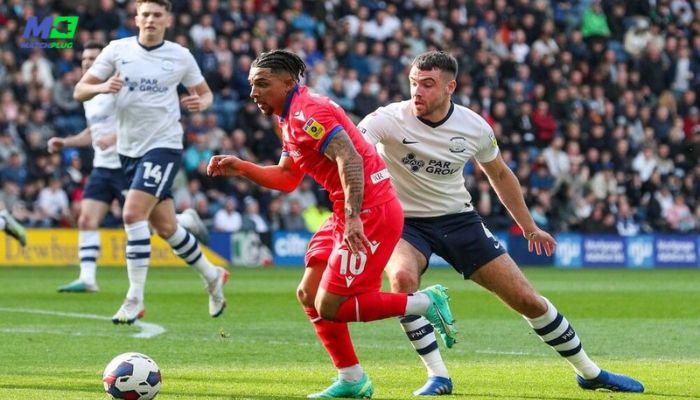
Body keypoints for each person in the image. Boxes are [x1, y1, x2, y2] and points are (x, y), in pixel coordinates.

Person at [358, 51, 644, 395]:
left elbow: (499, 174)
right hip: (405, 222)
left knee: (527, 300)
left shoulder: (473, 126)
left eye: (428, 84)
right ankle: (438, 376)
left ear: (451, 87)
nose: (417, 91)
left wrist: (528, 226)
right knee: (403, 280)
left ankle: (590, 372)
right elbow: (355, 148)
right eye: (414, 83)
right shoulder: (388, 118)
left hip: (458, 220)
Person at [207, 49, 456, 398]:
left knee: (332, 305)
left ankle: (425, 302)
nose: (254, 93)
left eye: (262, 84)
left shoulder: (309, 112)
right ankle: (352, 380)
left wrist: (354, 218)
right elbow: (287, 178)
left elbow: (349, 158)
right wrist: (242, 167)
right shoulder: (289, 115)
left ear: (288, 82)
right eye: (252, 85)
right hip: (346, 211)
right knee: (309, 293)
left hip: (369, 211)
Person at [73, 0, 228, 324]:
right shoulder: (117, 50)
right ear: (137, 18)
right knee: (167, 227)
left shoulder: (180, 56)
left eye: (158, 15)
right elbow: (80, 90)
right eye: (146, 15)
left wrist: (202, 101)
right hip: (128, 150)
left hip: (163, 145)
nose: (151, 20)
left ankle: (134, 298)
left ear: (168, 20)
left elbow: (206, 93)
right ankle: (211, 274)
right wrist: (103, 85)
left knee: (132, 213)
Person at [49, 41, 210, 293]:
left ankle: (183, 220)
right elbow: (95, 131)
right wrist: (67, 141)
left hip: (129, 162)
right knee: (86, 219)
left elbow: (135, 119)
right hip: (103, 167)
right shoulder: (90, 96)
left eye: (93, 58)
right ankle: (88, 277)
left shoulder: (121, 84)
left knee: (153, 225)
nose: (88, 63)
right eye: (84, 60)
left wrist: (112, 139)